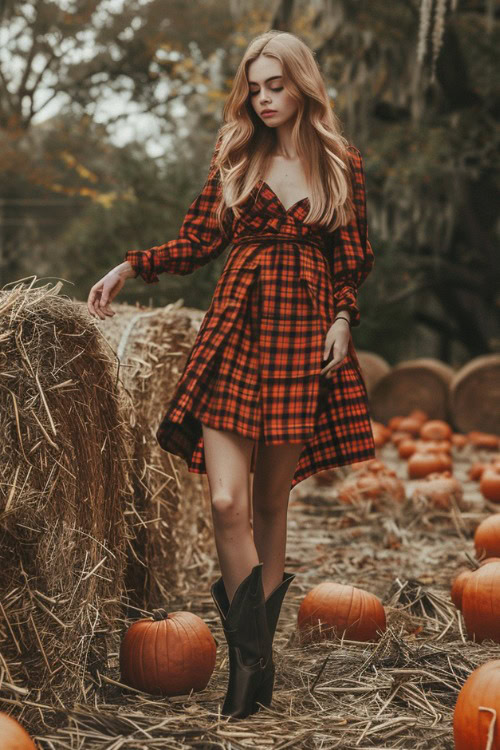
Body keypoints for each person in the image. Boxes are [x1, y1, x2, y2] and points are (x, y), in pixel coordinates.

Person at [87, 30, 376, 720]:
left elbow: (354, 257)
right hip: (235, 333)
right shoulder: (235, 156)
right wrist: (133, 265)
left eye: (276, 84)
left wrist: (342, 318)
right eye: (255, 85)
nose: (264, 97)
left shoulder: (340, 163)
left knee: (272, 503)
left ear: (302, 85)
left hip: (301, 336)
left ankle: (253, 668)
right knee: (226, 502)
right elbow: (198, 240)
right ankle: (253, 658)